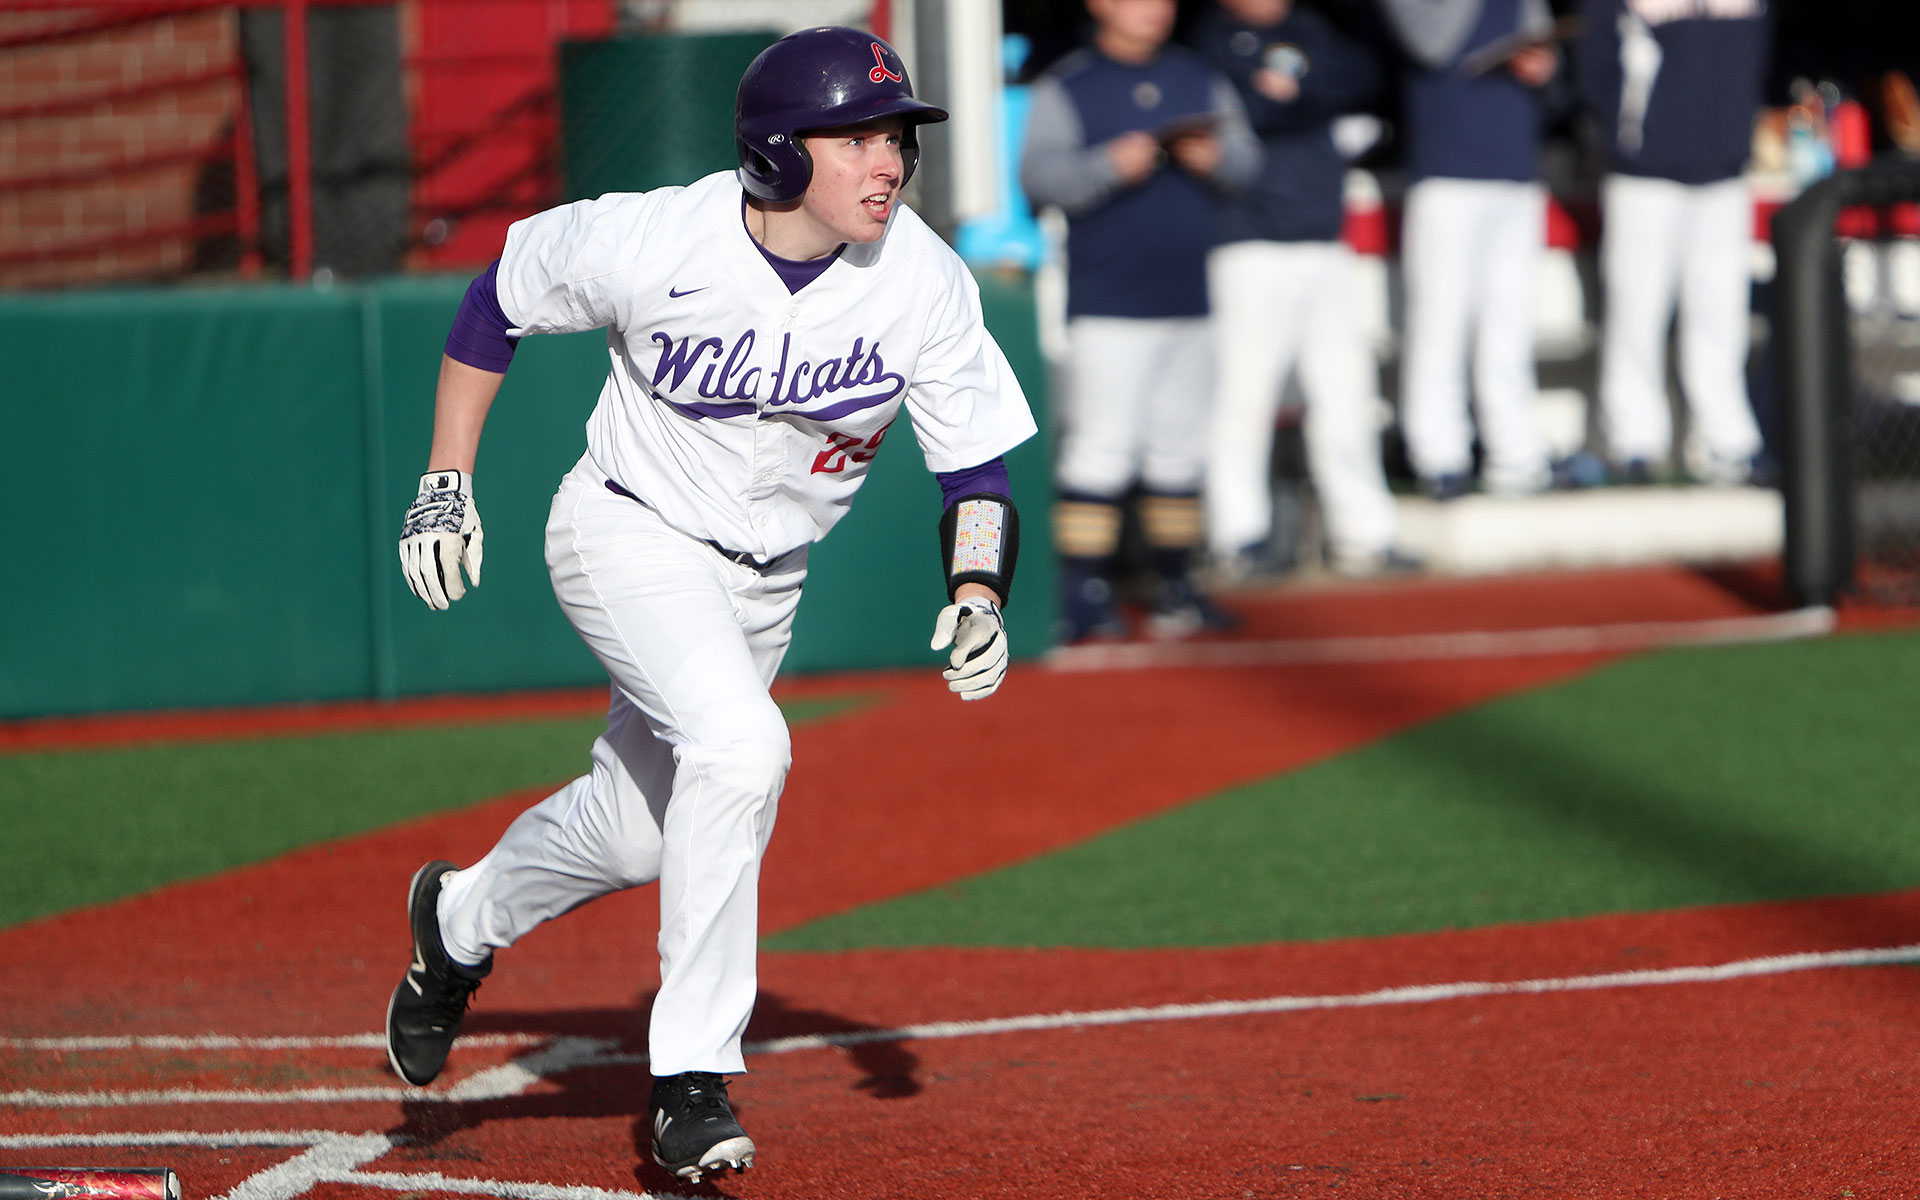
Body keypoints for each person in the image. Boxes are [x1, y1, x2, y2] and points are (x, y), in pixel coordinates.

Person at [382, 26, 1036, 1186]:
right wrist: (446, 478)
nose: (889, 162)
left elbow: (975, 468)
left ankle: (459, 921)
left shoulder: (920, 278)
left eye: (897, 138)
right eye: (858, 139)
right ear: (780, 154)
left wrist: (979, 586)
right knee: (742, 748)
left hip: (766, 580)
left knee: (639, 827)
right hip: (626, 531)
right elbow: (498, 300)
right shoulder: (654, 236)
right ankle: (690, 1078)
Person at [1019, 0, 1260, 641]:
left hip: (1189, 295)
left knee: (1179, 449)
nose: (1152, 9)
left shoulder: (1197, 75)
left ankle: (1177, 588)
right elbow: (1039, 180)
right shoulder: (1068, 85)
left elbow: (1247, 163)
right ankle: (1082, 597)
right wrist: (1110, 165)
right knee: (1101, 448)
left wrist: (1217, 160)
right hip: (1109, 299)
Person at [1189, 0, 1418, 578]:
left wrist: (1302, 90)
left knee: (1345, 392)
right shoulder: (1212, 39)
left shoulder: (1310, 26)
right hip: (1248, 241)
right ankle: (1236, 536)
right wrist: (1304, 95)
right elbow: (1250, 110)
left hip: (1322, 235)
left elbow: (1363, 78)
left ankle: (1363, 533)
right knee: (1244, 396)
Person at [1574, 0, 1773, 486]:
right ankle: (1634, 441)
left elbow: (1757, 56)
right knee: (1636, 310)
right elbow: (1593, 57)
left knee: (1721, 314)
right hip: (1644, 172)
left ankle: (1726, 443)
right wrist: (1627, 132)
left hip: (1724, 168)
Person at [1376, 0, 1563, 499]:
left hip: (1514, 165)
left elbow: (1545, 52)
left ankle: (1515, 454)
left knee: (1510, 322)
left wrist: (1542, 65)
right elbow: (1429, 42)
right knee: (1440, 321)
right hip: (1446, 169)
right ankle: (1439, 455)